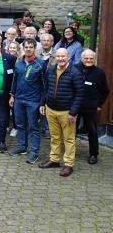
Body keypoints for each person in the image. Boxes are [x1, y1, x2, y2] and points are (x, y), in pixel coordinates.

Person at [39, 48, 84, 177]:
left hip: (67, 112)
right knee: (55, 137)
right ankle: (54, 160)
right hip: (51, 109)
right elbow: (46, 88)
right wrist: (43, 103)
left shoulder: (75, 73)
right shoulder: (51, 70)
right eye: (58, 56)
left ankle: (69, 164)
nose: (60, 59)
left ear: (68, 57)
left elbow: (80, 94)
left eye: (63, 56)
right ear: (55, 57)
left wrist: (73, 112)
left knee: (69, 139)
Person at [8, 38, 47, 164]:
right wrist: (12, 95)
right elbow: (14, 80)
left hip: (33, 101)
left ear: (35, 48)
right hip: (19, 99)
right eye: (26, 47)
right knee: (19, 125)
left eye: (31, 47)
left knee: (33, 127)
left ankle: (34, 152)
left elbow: (44, 85)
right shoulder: (18, 63)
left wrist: (42, 103)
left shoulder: (40, 64)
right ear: (23, 48)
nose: (28, 49)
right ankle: (21, 147)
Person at [75, 49, 109, 165]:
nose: (89, 60)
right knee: (71, 130)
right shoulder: (74, 69)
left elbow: (105, 91)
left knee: (92, 131)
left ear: (94, 59)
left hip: (90, 107)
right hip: (76, 106)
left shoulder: (99, 73)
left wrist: (99, 104)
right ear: (82, 58)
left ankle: (94, 154)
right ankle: (70, 151)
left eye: (91, 58)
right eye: (86, 58)